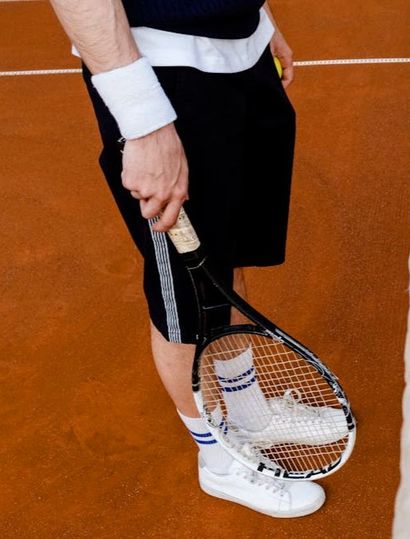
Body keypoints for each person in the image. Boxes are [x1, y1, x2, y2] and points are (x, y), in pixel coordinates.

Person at [48, 0, 325, 517]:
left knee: (227, 256)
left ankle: (250, 417)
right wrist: (142, 118)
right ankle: (218, 460)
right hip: (161, 74)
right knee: (184, 292)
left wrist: (258, 22)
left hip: (240, 52)